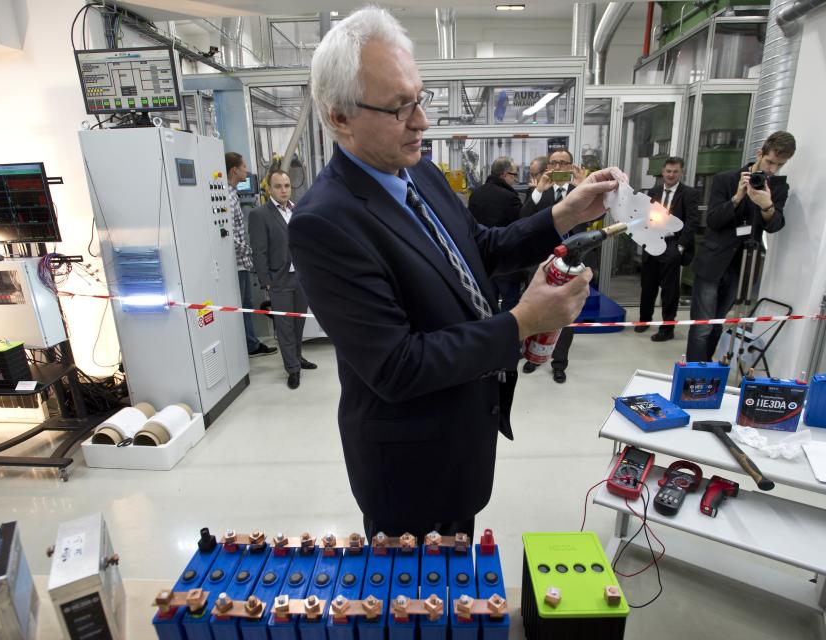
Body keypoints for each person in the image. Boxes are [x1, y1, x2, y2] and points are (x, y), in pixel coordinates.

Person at [288, 6, 620, 540]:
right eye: (399, 109)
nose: (422, 122)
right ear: (339, 117)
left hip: (462, 433)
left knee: (457, 587)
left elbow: (478, 249)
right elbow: (397, 366)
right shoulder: (324, 223)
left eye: (419, 99)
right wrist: (522, 322)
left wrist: (565, 214)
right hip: (408, 464)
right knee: (413, 607)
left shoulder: (417, 169)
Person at [686, 131, 795, 362]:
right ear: (759, 154)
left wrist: (767, 205)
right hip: (712, 264)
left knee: (717, 324)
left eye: (780, 165)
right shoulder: (726, 179)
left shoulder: (777, 188)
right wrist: (736, 198)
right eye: (770, 162)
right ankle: (691, 377)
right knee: (702, 327)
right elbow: (714, 221)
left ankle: (706, 372)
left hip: (743, 267)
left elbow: (775, 226)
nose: (772, 170)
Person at [519, 147, 585, 383]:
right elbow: (523, 219)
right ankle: (534, 357)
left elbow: (597, 217)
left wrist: (584, 186)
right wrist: (537, 190)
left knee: (567, 314)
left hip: (572, 264)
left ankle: (559, 363)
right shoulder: (539, 192)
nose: (558, 167)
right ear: (548, 167)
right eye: (554, 163)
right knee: (538, 310)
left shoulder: (580, 192)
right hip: (543, 263)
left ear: (571, 167)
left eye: (563, 163)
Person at [248, 169, 317, 389]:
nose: (284, 190)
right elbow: (258, 252)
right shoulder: (260, 214)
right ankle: (293, 369)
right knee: (285, 326)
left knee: (298, 323)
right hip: (280, 279)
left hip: (302, 277)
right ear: (269, 188)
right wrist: (266, 281)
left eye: (287, 185)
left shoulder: (297, 209)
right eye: (278, 186)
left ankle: (296, 358)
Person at [637, 157, 698, 342]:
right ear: (663, 172)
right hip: (652, 242)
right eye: (668, 171)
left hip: (672, 244)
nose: (671, 175)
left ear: (681, 173)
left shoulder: (689, 193)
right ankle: (644, 320)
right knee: (647, 284)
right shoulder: (653, 192)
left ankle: (667, 328)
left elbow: (692, 221)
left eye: (675, 172)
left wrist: (680, 247)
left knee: (670, 290)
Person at [225, 151, 276, 358]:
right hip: (237, 262)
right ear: (234, 170)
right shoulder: (227, 196)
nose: (247, 170)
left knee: (245, 304)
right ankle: (250, 345)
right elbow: (227, 232)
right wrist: (249, 252)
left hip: (241, 261)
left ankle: (250, 343)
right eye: (244, 166)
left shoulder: (231, 193)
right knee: (243, 306)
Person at [467, 156, 523, 311]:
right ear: (504, 175)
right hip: (507, 263)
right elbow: (521, 227)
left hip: (482, 262)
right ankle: (508, 335)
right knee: (510, 304)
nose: (516, 180)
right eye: (514, 175)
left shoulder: (475, 194)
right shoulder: (510, 197)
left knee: (487, 304)